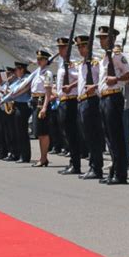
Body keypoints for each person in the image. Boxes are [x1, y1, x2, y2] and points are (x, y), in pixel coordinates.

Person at [97, 25, 129, 185]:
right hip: (104, 99)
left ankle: (120, 173)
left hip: (113, 98)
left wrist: (117, 80)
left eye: (104, 37)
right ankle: (114, 170)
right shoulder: (104, 57)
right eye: (100, 38)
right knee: (109, 137)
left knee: (116, 136)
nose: (101, 40)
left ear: (112, 39)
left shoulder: (117, 56)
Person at [75, 34, 105, 180]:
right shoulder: (81, 64)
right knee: (87, 136)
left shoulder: (95, 63)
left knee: (94, 136)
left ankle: (96, 167)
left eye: (83, 46)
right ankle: (92, 165)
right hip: (81, 101)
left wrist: (96, 88)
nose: (81, 49)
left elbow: (103, 81)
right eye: (79, 46)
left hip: (92, 101)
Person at [55, 37, 81, 175]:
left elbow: (81, 78)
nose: (60, 50)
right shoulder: (61, 62)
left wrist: (70, 86)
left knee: (72, 133)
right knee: (67, 133)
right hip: (63, 100)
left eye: (63, 47)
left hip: (71, 100)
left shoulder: (73, 63)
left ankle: (76, 165)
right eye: (59, 47)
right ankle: (72, 162)